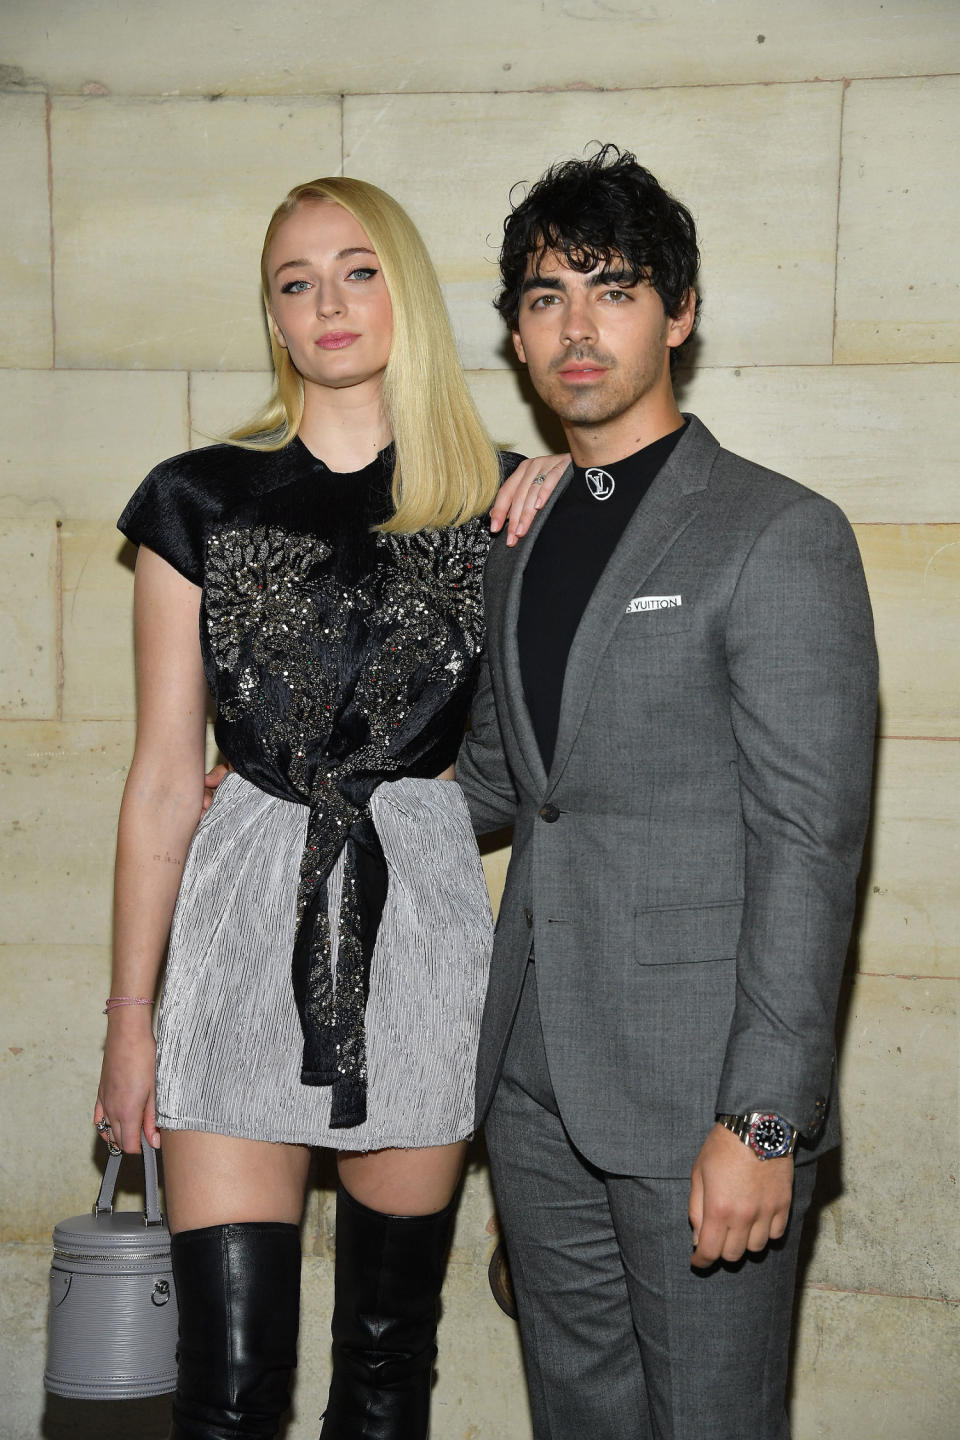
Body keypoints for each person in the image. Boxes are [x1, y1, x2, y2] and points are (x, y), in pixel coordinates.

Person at [93, 174, 548, 1440]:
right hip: (240, 924)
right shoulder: (199, 500)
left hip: (421, 933)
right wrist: (131, 1020)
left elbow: (538, 750)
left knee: (387, 1373)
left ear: (401, 287)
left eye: (357, 271)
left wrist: (569, 489)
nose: (328, 303)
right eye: (296, 282)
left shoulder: (503, 505)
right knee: (227, 1393)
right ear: (274, 318)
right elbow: (160, 783)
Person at [455, 144, 879, 1440]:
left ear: (679, 315)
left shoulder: (776, 531)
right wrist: (291, 795)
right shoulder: (516, 535)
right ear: (519, 336)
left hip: (703, 1098)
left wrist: (764, 1118)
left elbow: (811, 841)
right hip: (532, 1089)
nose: (578, 327)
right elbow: (494, 781)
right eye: (545, 297)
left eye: (615, 288)